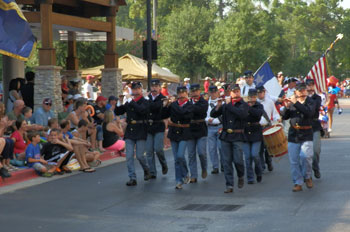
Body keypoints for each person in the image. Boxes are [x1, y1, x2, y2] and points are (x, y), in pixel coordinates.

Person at [210, 84, 249, 193]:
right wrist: (218, 106)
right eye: (233, 91)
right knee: (226, 161)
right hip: (226, 135)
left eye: (237, 91)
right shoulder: (225, 104)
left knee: (238, 160)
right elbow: (213, 114)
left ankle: (241, 175)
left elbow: (242, 114)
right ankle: (229, 185)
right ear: (229, 93)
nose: (236, 93)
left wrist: (229, 105)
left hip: (238, 135)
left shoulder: (243, 104)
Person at [281, 83, 315, 192]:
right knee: (294, 160)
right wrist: (286, 107)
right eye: (300, 91)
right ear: (296, 92)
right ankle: (297, 182)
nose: (302, 92)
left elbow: (308, 113)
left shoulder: (311, 101)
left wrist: (295, 103)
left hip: (306, 133)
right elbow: (285, 116)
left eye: (304, 90)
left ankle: (307, 176)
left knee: (305, 157)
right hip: (294, 134)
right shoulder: (292, 103)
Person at [115, 82, 151, 186]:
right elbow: (118, 112)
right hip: (130, 130)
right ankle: (132, 177)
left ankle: (146, 169)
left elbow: (142, 111)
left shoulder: (145, 101)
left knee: (140, 156)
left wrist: (131, 100)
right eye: (133, 89)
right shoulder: (130, 102)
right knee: (129, 156)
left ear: (140, 90)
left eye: (137, 89)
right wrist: (120, 101)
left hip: (140, 129)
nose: (135, 91)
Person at [162, 86, 192, 189]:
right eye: (179, 93)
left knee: (180, 155)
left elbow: (184, 115)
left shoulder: (190, 104)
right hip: (174, 131)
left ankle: (185, 173)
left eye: (183, 93)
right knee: (176, 159)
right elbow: (164, 115)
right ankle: (179, 180)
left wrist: (174, 105)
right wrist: (165, 106)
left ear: (186, 93)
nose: (181, 95)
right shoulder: (173, 104)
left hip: (184, 132)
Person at [145, 79, 168, 179]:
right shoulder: (147, 97)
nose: (154, 88)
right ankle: (152, 172)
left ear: (159, 87)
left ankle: (163, 163)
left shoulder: (163, 99)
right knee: (149, 151)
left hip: (158, 126)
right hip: (148, 126)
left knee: (158, 149)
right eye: (152, 86)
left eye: (156, 86)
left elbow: (158, 110)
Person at [187, 84, 208, 183]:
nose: (194, 93)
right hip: (190, 129)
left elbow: (200, 110)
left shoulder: (203, 102)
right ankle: (193, 175)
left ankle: (204, 167)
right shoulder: (188, 102)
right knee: (191, 154)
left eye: (196, 91)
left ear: (199, 91)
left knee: (201, 152)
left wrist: (189, 107)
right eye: (192, 91)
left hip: (200, 128)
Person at [257, 86, 280, 172]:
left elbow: (274, 113)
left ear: (264, 92)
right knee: (259, 148)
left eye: (261, 92)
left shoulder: (270, 102)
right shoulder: (254, 103)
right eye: (258, 93)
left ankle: (268, 161)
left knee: (267, 147)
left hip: (266, 126)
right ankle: (261, 165)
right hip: (257, 127)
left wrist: (277, 118)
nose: (260, 94)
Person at [243, 89, 264, 184]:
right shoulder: (244, 105)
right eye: (251, 96)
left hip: (256, 132)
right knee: (247, 157)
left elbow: (258, 114)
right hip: (246, 132)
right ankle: (250, 177)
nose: (252, 98)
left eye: (254, 96)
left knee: (255, 154)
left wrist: (249, 107)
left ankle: (258, 171)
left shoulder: (259, 105)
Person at [306, 79, 322, 179]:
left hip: (315, 125)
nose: (310, 88)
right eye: (308, 85)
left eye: (312, 85)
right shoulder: (302, 98)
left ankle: (315, 167)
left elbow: (316, 107)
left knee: (316, 150)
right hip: (305, 125)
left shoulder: (317, 97)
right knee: (307, 152)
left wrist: (308, 97)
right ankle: (308, 171)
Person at [206, 85, 223, 174]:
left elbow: (223, 115)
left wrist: (215, 120)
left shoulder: (222, 102)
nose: (213, 94)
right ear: (209, 93)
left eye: (215, 92)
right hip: (210, 127)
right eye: (211, 92)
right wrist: (207, 119)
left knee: (221, 147)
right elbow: (204, 116)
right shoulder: (206, 103)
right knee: (212, 148)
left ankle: (223, 163)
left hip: (220, 126)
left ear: (218, 92)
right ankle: (215, 166)